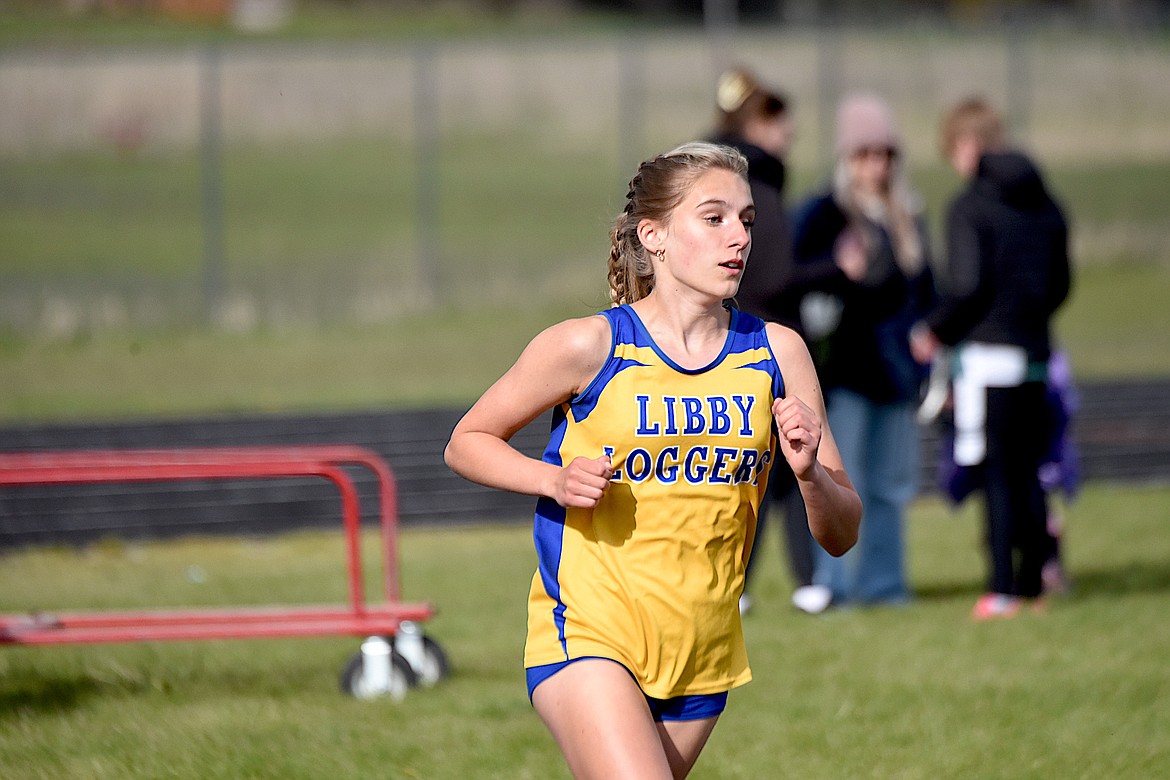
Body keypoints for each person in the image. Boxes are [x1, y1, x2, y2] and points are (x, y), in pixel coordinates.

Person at [445, 141, 861, 779]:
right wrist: (553, 479)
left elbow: (842, 533)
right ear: (655, 235)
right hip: (589, 633)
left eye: (746, 221)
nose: (739, 239)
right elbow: (467, 441)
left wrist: (806, 475)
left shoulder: (779, 353)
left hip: (702, 651)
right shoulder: (590, 345)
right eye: (714, 218)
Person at [910, 97, 1072, 620]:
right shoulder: (1045, 202)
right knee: (1028, 471)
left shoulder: (969, 206)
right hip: (1036, 354)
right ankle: (1033, 583)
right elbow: (1061, 283)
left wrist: (934, 329)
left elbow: (968, 284)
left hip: (987, 358)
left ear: (967, 145)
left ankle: (1001, 589)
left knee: (997, 474)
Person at [791, 92, 935, 609]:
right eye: (864, 153)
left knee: (891, 486)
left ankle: (885, 586)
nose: (876, 165)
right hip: (842, 372)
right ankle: (835, 587)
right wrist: (838, 272)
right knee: (836, 482)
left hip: (896, 372)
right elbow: (794, 280)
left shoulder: (908, 217)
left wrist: (927, 334)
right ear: (846, 157)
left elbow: (925, 291)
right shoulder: (822, 213)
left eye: (885, 154)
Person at [705, 65, 822, 615]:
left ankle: (737, 583)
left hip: (714, 337)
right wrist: (836, 271)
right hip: (756, 339)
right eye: (778, 122)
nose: (788, 135)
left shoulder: (708, 174)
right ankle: (801, 581)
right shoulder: (759, 181)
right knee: (783, 457)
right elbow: (774, 274)